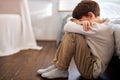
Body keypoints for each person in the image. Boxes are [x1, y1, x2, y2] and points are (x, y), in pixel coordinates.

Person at [37, 0, 114, 79]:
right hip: (91, 64)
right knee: (71, 33)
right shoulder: (103, 24)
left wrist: (76, 22)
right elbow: (70, 21)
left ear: (90, 15)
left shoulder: (96, 28)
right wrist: (79, 22)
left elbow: (67, 26)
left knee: (72, 34)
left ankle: (62, 69)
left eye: (81, 21)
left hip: (92, 70)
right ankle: (58, 66)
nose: (80, 23)